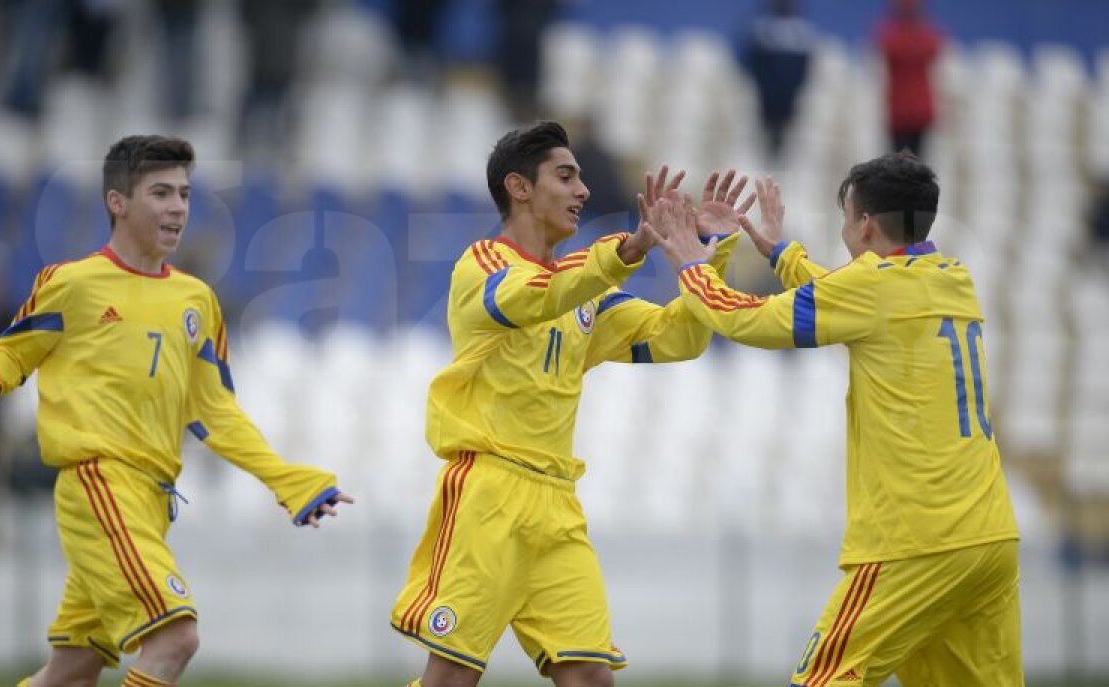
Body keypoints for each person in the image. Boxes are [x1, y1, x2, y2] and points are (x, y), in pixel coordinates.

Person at [0, 135, 353, 687]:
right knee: (174, 638)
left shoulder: (197, 301)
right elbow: (11, 353)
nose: (178, 208)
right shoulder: (72, 283)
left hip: (152, 499)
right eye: (161, 193)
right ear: (117, 202)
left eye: (185, 195)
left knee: (70, 672)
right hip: (99, 485)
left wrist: (287, 479)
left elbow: (216, 412)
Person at [389, 120, 753, 686]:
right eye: (566, 176)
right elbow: (535, 298)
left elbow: (681, 337)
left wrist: (708, 249)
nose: (583, 191)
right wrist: (629, 248)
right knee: (451, 680)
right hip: (490, 498)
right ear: (519, 187)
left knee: (588, 677)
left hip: (557, 505)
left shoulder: (583, 290)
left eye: (581, 177)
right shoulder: (483, 266)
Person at [646, 153, 1022, 686]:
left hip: (916, 540)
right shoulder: (950, 279)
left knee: (825, 680)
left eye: (845, 215)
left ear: (864, 224)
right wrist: (780, 254)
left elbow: (744, 319)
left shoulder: (871, 288)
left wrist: (691, 264)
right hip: (989, 539)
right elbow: (850, 298)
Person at [741, 0, 814, 161]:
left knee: (786, 135)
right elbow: (753, 64)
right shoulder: (762, 29)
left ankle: (781, 156)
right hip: (766, 96)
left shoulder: (801, 31)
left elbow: (804, 68)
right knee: (765, 133)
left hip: (789, 97)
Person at [876, 0, 944, 155]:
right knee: (902, 161)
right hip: (902, 111)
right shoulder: (915, 36)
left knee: (911, 161)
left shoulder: (915, 36)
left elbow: (934, 48)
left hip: (913, 111)